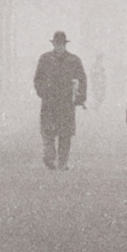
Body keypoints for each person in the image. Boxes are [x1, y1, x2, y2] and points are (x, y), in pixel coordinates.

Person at [33, 29, 88, 169]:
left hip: (66, 102)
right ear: (53, 44)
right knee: (47, 131)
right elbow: (37, 79)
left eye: (61, 44)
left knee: (66, 134)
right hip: (49, 102)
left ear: (65, 44)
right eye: (56, 44)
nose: (59, 47)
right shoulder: (44, 59)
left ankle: (63, 162)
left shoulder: (74, 60)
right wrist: (43, 91)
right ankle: (50, 156)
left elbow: (82, 79)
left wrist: (80, 97)